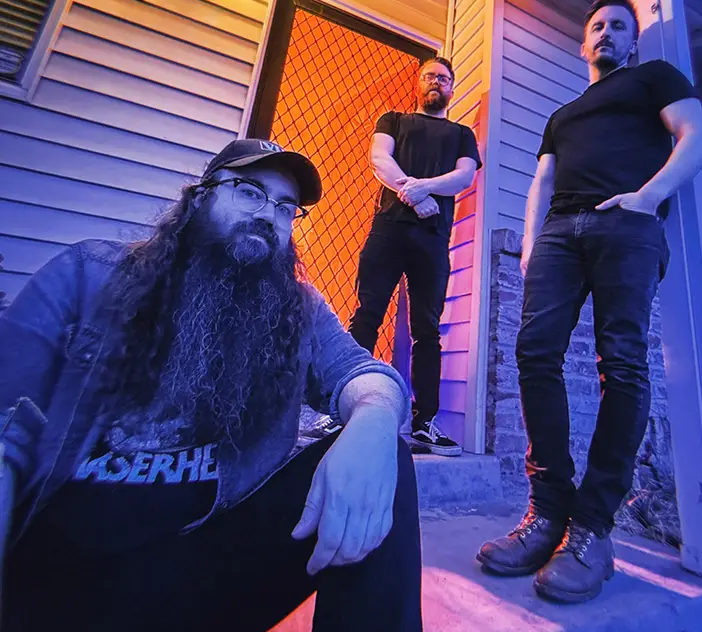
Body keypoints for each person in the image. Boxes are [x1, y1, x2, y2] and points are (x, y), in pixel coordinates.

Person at [0, 139, 422, 631]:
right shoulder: (87, 274)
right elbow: (7, 423)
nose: (268, 215)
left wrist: (374, 421)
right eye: (249, 191)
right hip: (62, 574)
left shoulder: (298, 309)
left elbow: (361, 372)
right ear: (199, 198)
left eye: (285, 207)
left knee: (385, 457)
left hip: (197, 569)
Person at [477, 0, 702, 603]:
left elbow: (698, 136)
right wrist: (531, 241)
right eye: (598, 26)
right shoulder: (563, 115)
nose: (607, 32)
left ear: (632, 43)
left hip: (627, 225)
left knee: (623, 364)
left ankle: (591, 529)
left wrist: (646, 198)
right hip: (561, 231)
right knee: (535, 353)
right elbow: (543, 180)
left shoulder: (654, 78)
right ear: (584, 42)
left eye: (618, 26)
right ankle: (547, 513)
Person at [348, 57, 482, 456]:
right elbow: (379, 159)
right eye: (430, 76)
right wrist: (416, 197)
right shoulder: (394, 120)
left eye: (444, 78)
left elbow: (464, 176)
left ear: (452, 88)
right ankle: (344, 407)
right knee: (367, 315)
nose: (436, 82)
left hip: (433, 239)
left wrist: (420, 189)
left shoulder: (461, 134)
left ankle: (424, 424)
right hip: (388, 230)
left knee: (427, 330)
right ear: (418, 83)